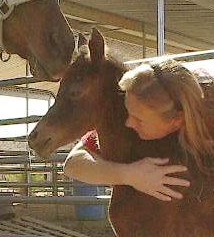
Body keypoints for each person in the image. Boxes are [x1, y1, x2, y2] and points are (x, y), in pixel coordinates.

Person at [64, 58, 214, 201]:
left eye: (139, 120)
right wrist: (129, 175)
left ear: (177, 121)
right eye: (128, 111)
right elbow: (73, 163)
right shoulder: (140, 105)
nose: (128, 123)